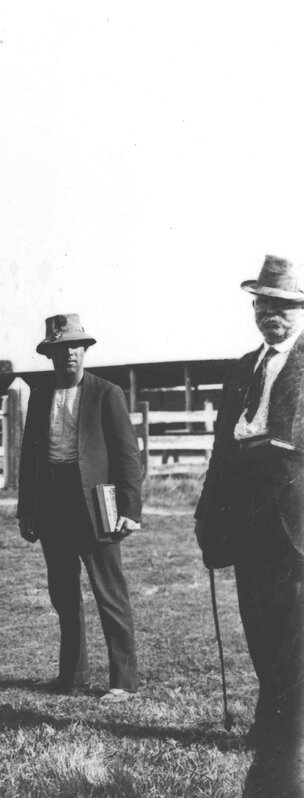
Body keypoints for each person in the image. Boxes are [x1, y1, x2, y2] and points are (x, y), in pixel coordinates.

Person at [194, 255, 304, 797]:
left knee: (294, 633)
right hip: (248, 518)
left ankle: (287, 739)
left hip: (297, 521)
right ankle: (272, 724)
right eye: (263, 305)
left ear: (299, 310)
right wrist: (207, 512)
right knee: (259, 625)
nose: (271, 316)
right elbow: (221, 447)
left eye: (282, 306)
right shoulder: (242, 367)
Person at [17, 314, 144, 702]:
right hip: (52, 502)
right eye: (60, 348)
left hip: (97, 502)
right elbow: (29, 459)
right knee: (63, 593)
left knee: (110, 591)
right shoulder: (39, 396)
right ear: (50, 354)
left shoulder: (107, 393)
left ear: (85, 350)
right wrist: (27, 510)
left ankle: (123, 680)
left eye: (76, 346)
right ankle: (72, 676)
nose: (69, 354)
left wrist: (130, 509)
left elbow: (127, 457)